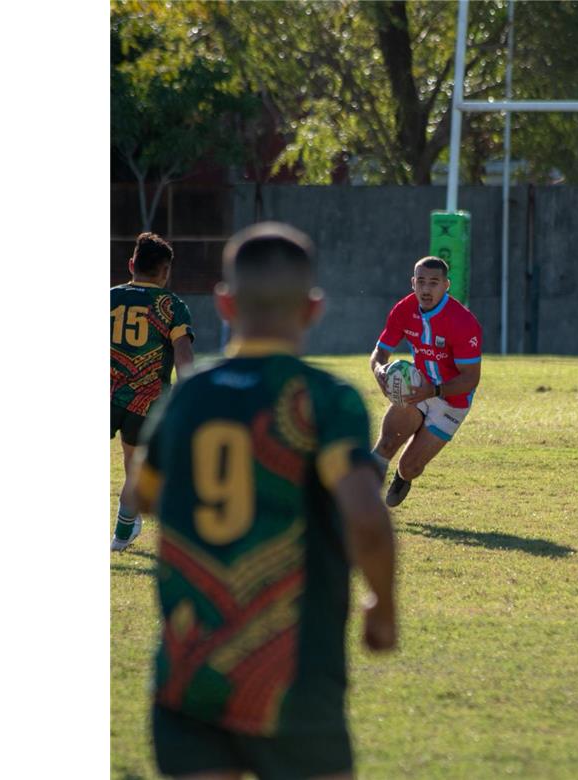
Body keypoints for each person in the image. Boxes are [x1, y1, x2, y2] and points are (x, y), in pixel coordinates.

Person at [132, 222, 398, 780]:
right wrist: (383, 605)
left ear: (225, 303)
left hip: (189, 677)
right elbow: (368, 518)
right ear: (314, 308)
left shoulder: (188, 398)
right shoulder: (323, 398)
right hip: (293, 679)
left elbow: (144, 494)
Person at [370, 256, 483, 507]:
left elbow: (471, 379)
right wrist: (379, 371)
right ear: (412, 283)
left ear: (446, 285)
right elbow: (379, 353)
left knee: (410, 466)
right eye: (421, 281)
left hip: (452, 400)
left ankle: (402, 477)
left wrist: (434, 390)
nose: (426, 289)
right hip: (416, 387)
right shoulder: (404, 309)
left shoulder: (463, 323)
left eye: (433, 282)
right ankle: (357, 505)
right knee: (386, 444)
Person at [110, 232, 195, 552]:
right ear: (165, 272)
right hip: (145, 402)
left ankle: (124, 534)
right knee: (135, 467)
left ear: (131, 264)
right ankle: (121, 536)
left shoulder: (109, 297)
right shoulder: (170, 305)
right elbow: (183, 354)